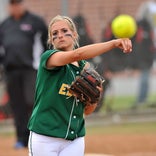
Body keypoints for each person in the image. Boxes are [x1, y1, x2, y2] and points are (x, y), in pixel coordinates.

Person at [27, 15, 132, 156]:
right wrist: (113, 43)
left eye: (64, 31)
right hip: (45, 138)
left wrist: (94, 98)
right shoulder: (49, 58)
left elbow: (87, 111)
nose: (60, 36)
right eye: (55, 34)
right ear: (51, 40)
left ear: (75, 34)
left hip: (74, 139)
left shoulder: (85, 69)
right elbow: (76, 55)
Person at [0, 0, 48, 149]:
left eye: (18, 3)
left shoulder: (36, 22)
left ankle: (38, 136)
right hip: (11, 71)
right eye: (12, 4)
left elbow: (46, 45)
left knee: (32, 102)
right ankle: (21, 137)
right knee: (17, 105)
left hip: (31, 70)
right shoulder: (5, 25)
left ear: (23, 4)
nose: (15, 7)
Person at [131, 18, 155, 108]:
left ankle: (142, 98)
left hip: (147, 60)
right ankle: (142, 98)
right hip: (144, 60)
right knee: (144, 80)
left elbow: (151, 46)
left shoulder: (148, 29)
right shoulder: (140, 29)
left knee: (145, 80)